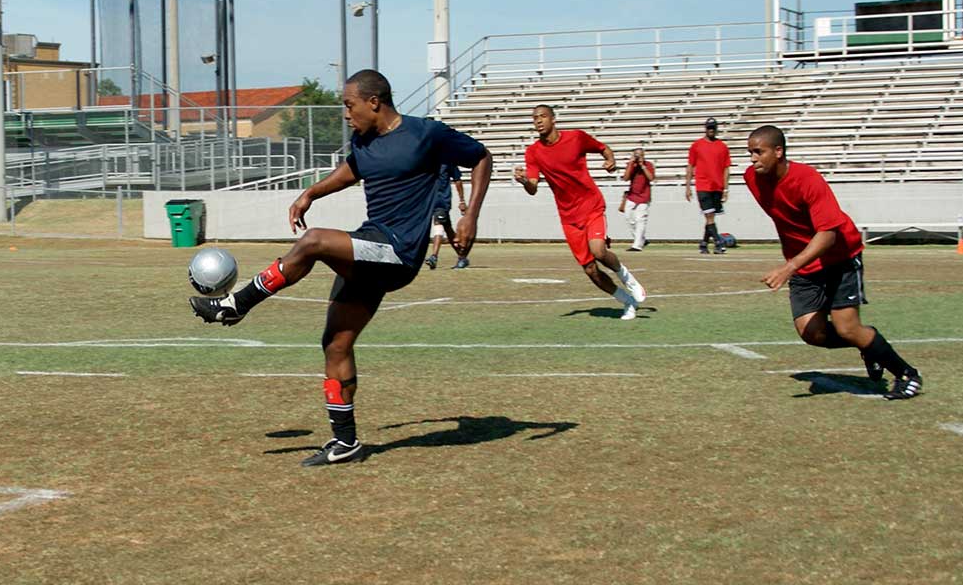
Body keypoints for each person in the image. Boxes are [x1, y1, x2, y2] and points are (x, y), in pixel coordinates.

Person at [189, 70, 493, 466]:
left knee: (313, 241)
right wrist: (311, 192)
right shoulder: (362, 141)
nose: (346, 114)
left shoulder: (426, 133)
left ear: (374, 102)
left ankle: (237, 303)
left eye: (349, 106)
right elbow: (353, 169)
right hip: (372, 247)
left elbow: (481, 157)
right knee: (335, 344)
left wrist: (471, 218)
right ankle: (345, 443)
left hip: (398, 253)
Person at [744, 125, 922, 400]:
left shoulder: (808, 179)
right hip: (804, 262)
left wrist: (790, 267)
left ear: (778, 152)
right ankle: (869, 344)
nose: (753, 159)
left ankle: (907, 374)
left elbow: (828, 234)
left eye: (759, 152)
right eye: (750, 153)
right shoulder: (752, 179)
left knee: (847, 328)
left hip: (840, 256)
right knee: (811, 333)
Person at [513, 105, 648, 320]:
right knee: (590, 271)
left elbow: (603, 148)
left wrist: (610, 160)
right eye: (535, 118)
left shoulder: (576, 138)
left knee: (599, 251)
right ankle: (626, 301)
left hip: (591, 205)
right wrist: (523, 181)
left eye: (543, 117)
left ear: (553, 120)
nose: (538, 121)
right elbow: (533, 187)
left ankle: (627, 278)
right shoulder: (533, 152)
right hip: (568, 217)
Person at [685, 117, 731, 254]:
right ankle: (718, 242)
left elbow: (726, 168)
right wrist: (688, 186)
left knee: (710, 216)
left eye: (713, 128)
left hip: (717, 186)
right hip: (703, 185)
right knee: (709, 215)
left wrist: (726, 188)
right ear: (705, 128)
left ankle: (704, 244)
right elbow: (690, 166)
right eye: (709, 128)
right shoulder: (697, 145)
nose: (711, 130)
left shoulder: (722, 147)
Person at [425, 163, 469, 270]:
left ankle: (434, 256)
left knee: (438, 224)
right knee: (448, 230)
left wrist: (462, 200)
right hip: (428, 201)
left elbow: (457, 180)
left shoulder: (448, 161)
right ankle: (462, 257)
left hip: (441, 201)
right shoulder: (425, 159)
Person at [619, 146, 655, 252]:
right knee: (629, 218)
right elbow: (625, 178)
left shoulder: (648, 165)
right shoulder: (632, 165)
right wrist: (631, 164)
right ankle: (641, 239)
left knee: (640, 219)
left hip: (644, 196)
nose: (638, 157)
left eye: (640, 155)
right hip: (632, 196)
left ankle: (637, 245)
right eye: (636, 155)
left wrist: (642, 166)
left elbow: (651, 178)